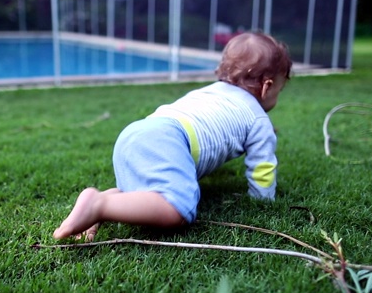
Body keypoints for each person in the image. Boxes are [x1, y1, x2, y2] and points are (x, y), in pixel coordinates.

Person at [53, 32, 292, 242]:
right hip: (169, 139)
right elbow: (262, 167)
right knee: (179, 209)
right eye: (279, 91)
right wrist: (263, 201)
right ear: (266, 87)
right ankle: (99, 205)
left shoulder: (209, 91)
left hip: (138, 130)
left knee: (147, 193)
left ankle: (104, 202)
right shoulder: (258, 119)